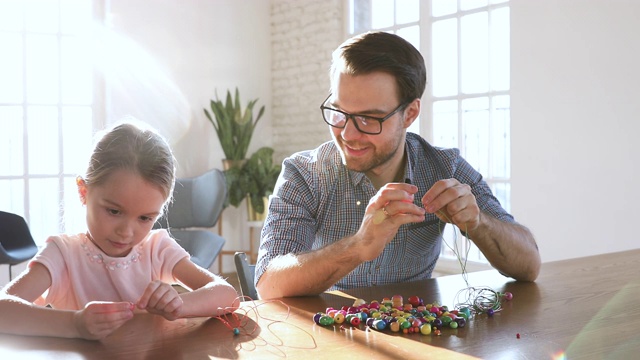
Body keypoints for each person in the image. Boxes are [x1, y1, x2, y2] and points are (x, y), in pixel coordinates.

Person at [255, 31, 541, 299]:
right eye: (340, 112)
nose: (348, 134)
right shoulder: (304, 174)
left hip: (418, 334)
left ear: (410, 114)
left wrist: (479, 223)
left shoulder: (445, 167)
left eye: (369, 118)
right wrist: (357, 247)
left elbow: (529, 267)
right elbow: (268, 285)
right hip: (326, 334)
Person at [0, 122, 239, 340]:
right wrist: (75, 324)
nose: (126, 232)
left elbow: (227, 295)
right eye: (114, 211)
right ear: (83, 192)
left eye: (145, 218)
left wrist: (179, 304)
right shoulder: (63, 254)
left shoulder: (156, 248)